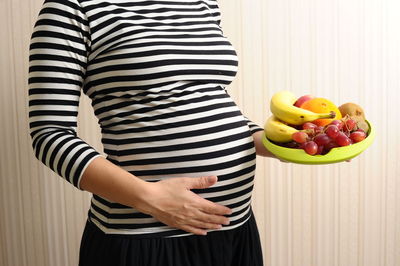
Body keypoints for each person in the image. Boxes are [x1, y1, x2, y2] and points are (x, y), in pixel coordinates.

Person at [28, 0, 278, 265]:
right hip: (144, 236)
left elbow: (206, 98)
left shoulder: (202, 3)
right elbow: (49, 133)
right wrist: (151, 199)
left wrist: (275, 141)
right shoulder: (73, 6)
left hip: (233, 228)